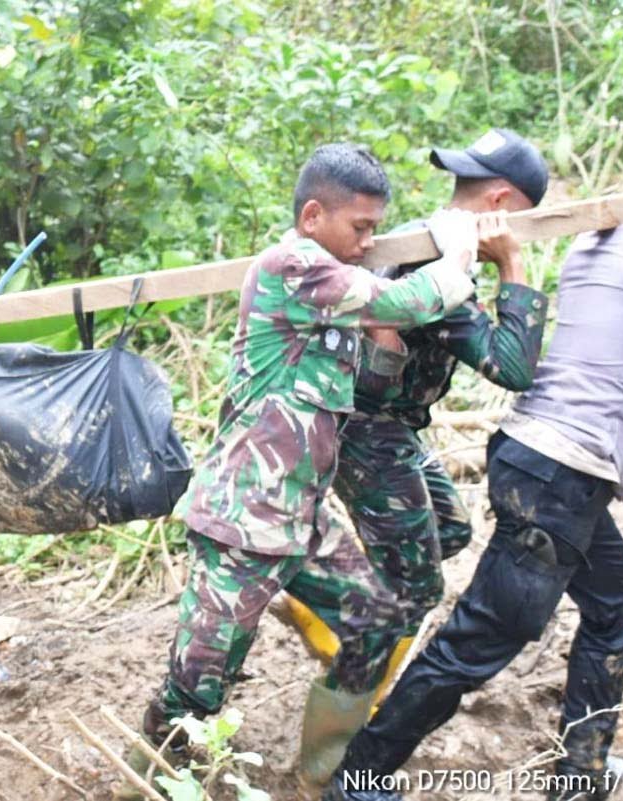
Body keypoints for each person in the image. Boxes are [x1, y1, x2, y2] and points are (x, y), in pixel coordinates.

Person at [322, 128, 623, 801]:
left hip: (542, 463)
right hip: (560, 473)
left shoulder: (598, 235)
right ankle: (358, 779)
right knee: (482, 637)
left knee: (615, 603)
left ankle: (580, 772)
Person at [118, 143, 481, 798]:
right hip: (241, 521)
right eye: (361, 228)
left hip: (302, 520)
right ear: (314, 214)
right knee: (197, 686)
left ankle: (321, 770)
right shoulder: (292, 265)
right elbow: (407, 300)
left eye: (375, 228)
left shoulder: (330, 294)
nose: (368, 241)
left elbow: (375, 371)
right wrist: (459, 253)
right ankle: (147, 786)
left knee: (375, 618)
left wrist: (383, 341)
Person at [296, 130, 550, 787]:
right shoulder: (440, 261)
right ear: (502, 200)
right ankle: (329, 755)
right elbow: (513, 365)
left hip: (391, 425)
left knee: (452, 532)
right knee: (413, 592)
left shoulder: (427, 236)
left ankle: (340, 619)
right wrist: (514, 268)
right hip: (366, 429)